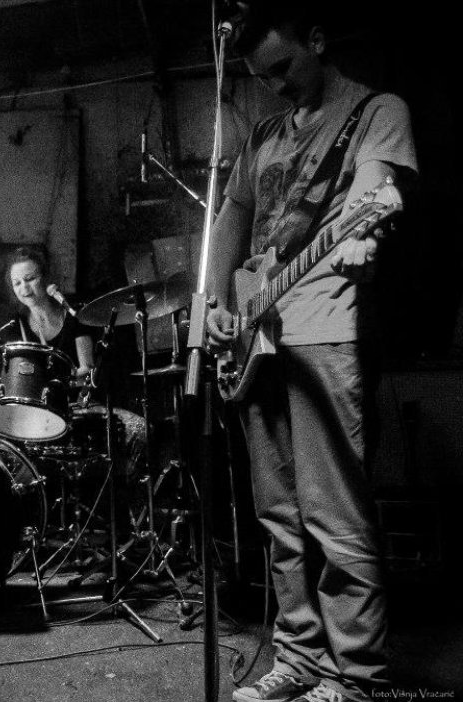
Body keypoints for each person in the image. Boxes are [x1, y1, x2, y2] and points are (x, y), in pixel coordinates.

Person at [204, 4, 417, 702]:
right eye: (261, 77)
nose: (275, 86)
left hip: (325, 322)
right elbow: (233, 217)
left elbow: (374, 189)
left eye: (283, 68)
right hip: (255, 331)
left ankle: (356, 677)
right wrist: (217, 306)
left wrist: (364, 232)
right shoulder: (264, 135)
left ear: (317, 41)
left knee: (334, 511)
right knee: (279, 514)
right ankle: (298, 656)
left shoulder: (375, 111)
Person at [0, 247, 147, 475]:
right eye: (17, 283)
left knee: (140, 430)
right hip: (39, 415)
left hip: (82, 406)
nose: (24, 288)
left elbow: (87, 369)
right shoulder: (15, 327)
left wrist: (67, 380)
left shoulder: (73, 316)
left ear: (46, 278)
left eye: (30, 278)